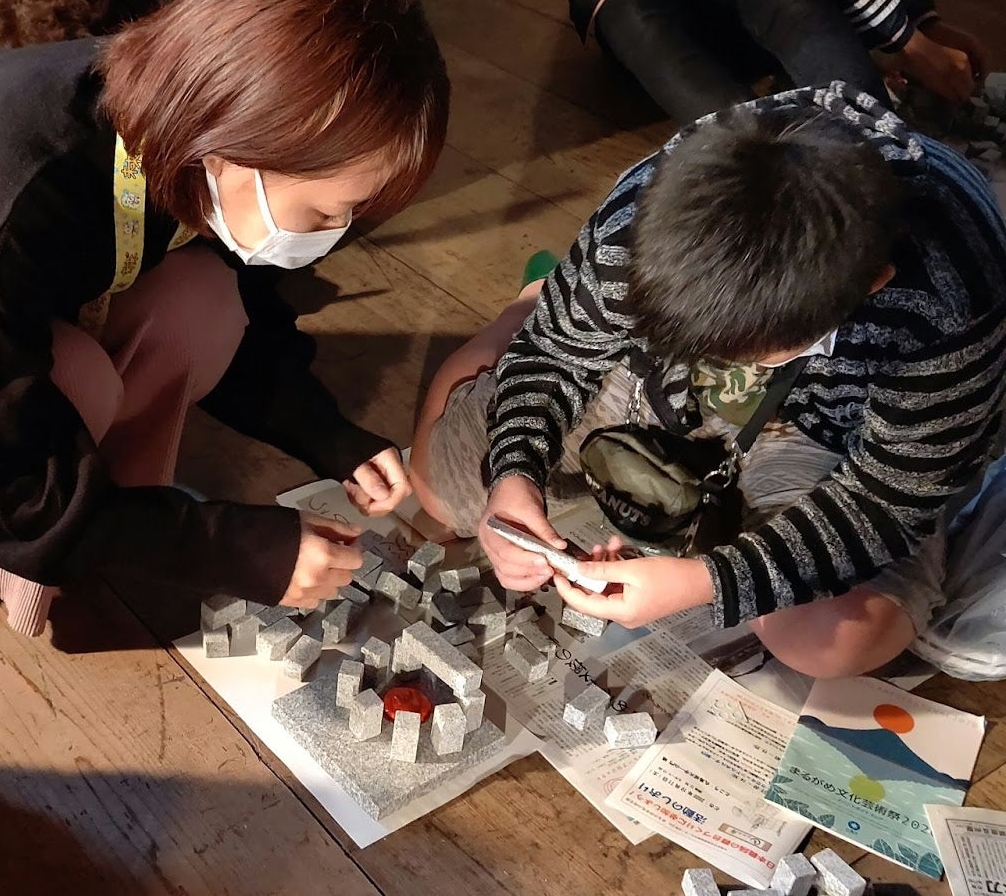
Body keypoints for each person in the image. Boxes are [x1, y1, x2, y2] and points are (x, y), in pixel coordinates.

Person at [0, 0, 449, 661]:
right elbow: (7, 492)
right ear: (234, 147)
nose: (335, 233)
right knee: (73, 380)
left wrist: (329, 436)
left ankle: (111, 512)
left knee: (206, 301)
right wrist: (238, 549)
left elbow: (249, 306)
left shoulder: (182, 127)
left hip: (20, 303)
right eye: (328, 212)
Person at [412, 83, 1006, 680]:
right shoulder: (647, 217)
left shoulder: (952, 303)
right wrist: (513, 473)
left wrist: (705, 581)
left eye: (751, 349)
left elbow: (885, 499)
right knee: (442, 489)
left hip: (823, 428)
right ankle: (533, 299)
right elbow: (553, 354)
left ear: (870, 284)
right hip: (653, 371)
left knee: (833, 642)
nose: (733, 364)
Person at [567, 0, 990, 123]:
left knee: (797, 12)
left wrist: (918, 21)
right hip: (644, 19)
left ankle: (882, 157)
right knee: (636, 19)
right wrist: (906, 40)